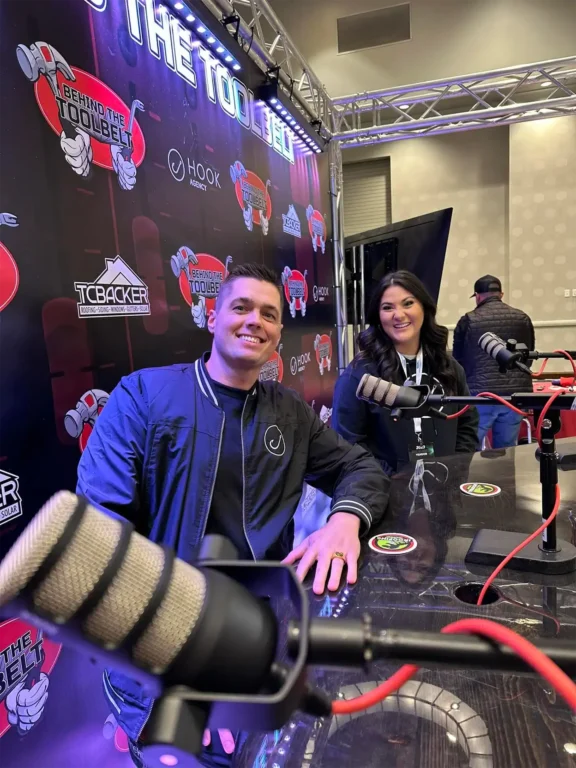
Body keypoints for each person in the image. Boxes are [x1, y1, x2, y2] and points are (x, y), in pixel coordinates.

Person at [76, 262, 390, 768]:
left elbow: (360, 468)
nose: (254, 322)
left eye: (269, 313)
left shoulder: (289, 412)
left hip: (260, 648)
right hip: (159, 662)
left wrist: (345, 520)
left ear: (279, 334)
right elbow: (100, 538)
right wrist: (191, 661)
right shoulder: (143, 397)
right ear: (211, 316)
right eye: (240, 307)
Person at [332, 270, 478, 474]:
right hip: (385, 493)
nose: (398, 315)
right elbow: (348, 442)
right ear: (378, 316)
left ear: (424, 308)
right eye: (387, 307)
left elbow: (467, 426)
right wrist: (392, 479)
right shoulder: (360, 375)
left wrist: (454, 467)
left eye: (408, 303)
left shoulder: (449, 368)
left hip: (444, 489)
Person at [453, 274, 535, 449]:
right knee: (506, 450)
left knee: (469, 449)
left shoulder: (468, 320)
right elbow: (527, 357)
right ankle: (503, 478)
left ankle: (470, 477)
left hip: (480, 395)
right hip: (515, 396)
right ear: (501, 294)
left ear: (478, 296)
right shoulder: (522, 318)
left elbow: (457, 361)